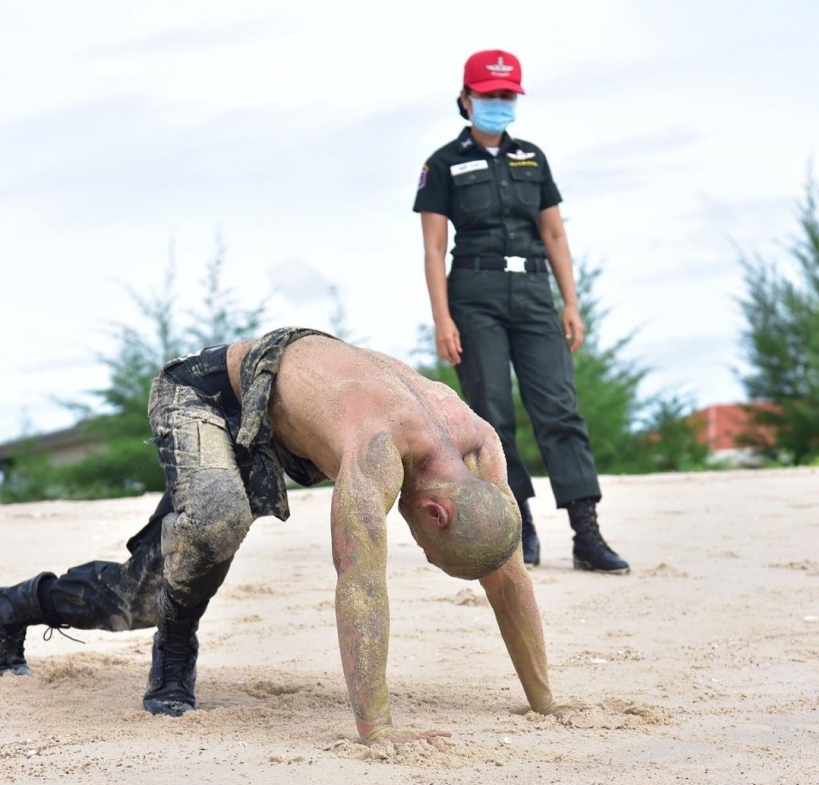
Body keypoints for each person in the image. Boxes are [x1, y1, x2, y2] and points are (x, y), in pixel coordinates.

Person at [0, 328, 563, 745]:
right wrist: (378, 729)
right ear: (437, 513)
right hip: (206, 395)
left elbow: (507, 575)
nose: (417, 543)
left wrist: (545, 702)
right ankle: (55, 616)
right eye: (426, 547)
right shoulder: (376, 448)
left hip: (275, 424)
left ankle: (29, 609)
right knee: (203, 536)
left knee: (159, 575)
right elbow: (361, 583)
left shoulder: (480, 447)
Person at [412, 49, 630, 574]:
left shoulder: (532, 158)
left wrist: (570, 301)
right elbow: (434, 248)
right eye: (489, 95)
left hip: (534, 292)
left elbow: (554, 232)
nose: (498, 103)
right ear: (466, 99)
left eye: (506, 95)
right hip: (474, 291)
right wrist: (443, 317)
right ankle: (520, 527)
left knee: (559, 407)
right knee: (492, 412)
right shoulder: (441, 164)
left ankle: (586, 533)